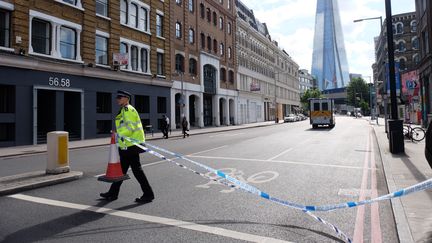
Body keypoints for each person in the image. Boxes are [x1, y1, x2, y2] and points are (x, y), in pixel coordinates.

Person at [100, 90, 155, 203]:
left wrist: (117, 134)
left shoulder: (128, 110)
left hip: (131, 146)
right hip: (128, 145)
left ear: (126, 98)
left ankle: (148, 194)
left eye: (120, 97)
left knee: (136, 171)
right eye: (117, 97)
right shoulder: (124, 110)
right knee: (122, 171)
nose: (117, 99)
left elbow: (130, 129)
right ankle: (113, 193)